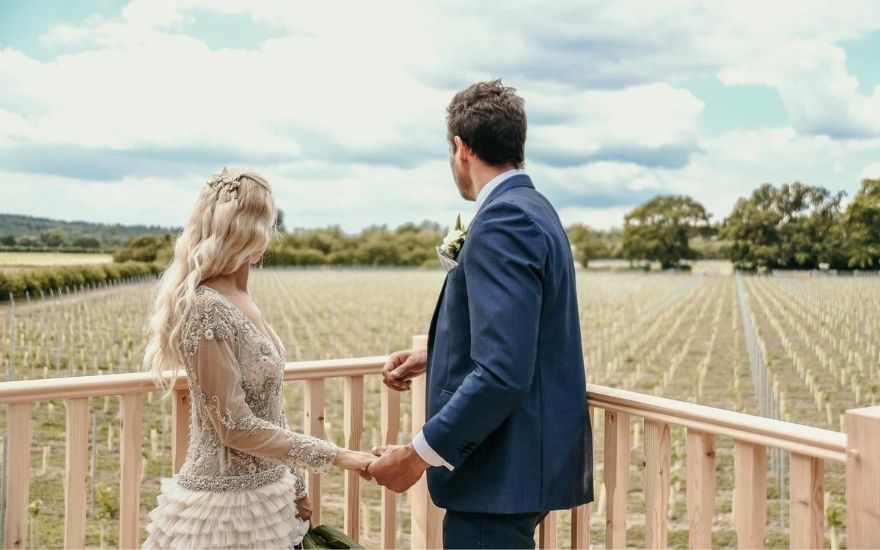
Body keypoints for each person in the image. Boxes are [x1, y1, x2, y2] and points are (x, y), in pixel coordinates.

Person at [368, 80, 594, 549]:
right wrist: (437, 352)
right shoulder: (537, 209)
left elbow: (501, 373)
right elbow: (518, 331)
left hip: (497, 475)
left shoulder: (502, 222)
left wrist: (416, 455)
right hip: (518, 469)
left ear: (461, 148)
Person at [141, 168, 374, 549]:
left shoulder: (244, 301)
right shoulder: (204, 307)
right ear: (252, 230)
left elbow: (270, 410)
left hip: (269, 500)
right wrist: (343, 456)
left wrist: (295, 484)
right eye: (268, 222)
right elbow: (235, 425)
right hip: (222, 511)